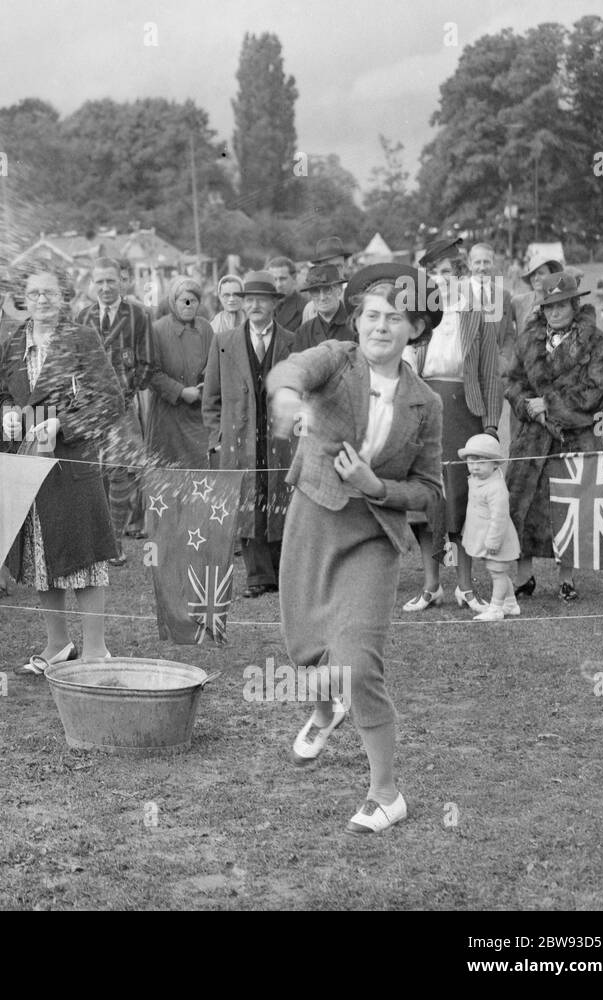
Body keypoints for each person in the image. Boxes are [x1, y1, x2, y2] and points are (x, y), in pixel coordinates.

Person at [267, 263, 444, 834]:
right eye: (372, 315)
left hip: (373, 535)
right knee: (306, 650)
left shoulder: (426, 403)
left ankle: (386, 793)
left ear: (414, 328)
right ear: (358, 320)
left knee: (358, 664)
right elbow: (291, 369)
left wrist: (377, 487)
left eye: (395, 318)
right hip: (313, 521)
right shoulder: (336, 360)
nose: (381, 326)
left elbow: (430, 492)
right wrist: (290, 399)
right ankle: (324, 707)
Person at [0, 268, 123, 674]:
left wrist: (63, 425)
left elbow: (110, 400)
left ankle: (95, 649)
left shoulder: (81, 339)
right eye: (34, 294)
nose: (42, 300)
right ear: (24, 299)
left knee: (84, 555)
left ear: (63, 298)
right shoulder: (14, 342)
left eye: (49, 293)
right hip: (30, 465)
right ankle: (57, 645)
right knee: (41, 556)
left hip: (72, 463)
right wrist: (9, 415)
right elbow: (2, 395)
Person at [399, 236, 507, 612]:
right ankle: (431, 586)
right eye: (435, 273)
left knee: (464, 499)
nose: (443, 279)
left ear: (461, 275)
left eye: (450, 272)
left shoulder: (475, 313)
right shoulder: (418, 316)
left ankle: (464, 585)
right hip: (424, 413)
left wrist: (491, 425)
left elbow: (491, 373)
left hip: (465, 412)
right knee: (426, 498)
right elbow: (403, 364)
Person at [504, 271, 603, 602]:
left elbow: (595, 390)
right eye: (549, 306)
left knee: (567, 508)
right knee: (523, 506)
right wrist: (528, 406)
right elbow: (512, 381)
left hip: (572, 438)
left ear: (574, 303)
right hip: (531, 439)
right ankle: (524, 578)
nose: (554, 312)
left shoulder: (594, 341)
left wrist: (549, 404)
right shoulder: (528, 339)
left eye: (561, 305)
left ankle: (566, 579)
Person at [202, 270, 295, 597]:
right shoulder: (224, 342)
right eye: (249, 299)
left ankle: (282, 572)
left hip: (280, 438)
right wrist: (217, 438)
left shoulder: (291, 341)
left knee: (279, 497)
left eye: (262, 299)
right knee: (247, 502)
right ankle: (257, 577)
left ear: (274, 304)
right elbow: (210, 398)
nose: (255, 305)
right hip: (239, 438)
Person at [75, 257, 159, 553]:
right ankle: (98, 538)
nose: (106, 287)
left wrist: (125, 393)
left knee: (120, 471)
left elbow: (148, 363)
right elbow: (76, 364)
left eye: (111, 280)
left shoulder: (137, 315)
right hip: (90, 409)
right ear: (92, 284)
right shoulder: (83, 318)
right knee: (94, 471)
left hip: (123, 408)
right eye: (100, 282)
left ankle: (115, 540)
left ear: (121, 281)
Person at [147, 275, 212, 468]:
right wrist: (181, 392)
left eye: (193, 301)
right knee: (169, 472)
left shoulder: (206, 328)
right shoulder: (157, 330)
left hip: (197, 414)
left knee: (199, 472)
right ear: (173, 302)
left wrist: (206, 383)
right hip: (167, 416)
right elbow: (150, 372)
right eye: (183, 300)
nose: (188, 305)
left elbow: (215, 363)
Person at [457, 433, 521, 622]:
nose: (475, 467)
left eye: (481, 462)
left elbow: (499, 518)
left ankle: (495, 609)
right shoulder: (477, 480)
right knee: (498, 571)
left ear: (495, 464)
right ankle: (511, 604)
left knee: (498, 573)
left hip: (498, 539)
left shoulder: (496, 488)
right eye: (471, 462)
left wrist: (493, 541)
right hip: (485, 537)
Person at [290, 262, 352, 353]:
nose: (322, 297)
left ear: (339, 290)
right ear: (310, 295)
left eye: (328, 290)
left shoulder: (355, 326)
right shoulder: (303, 332)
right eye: (315, 291)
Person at [267, 256, 306, 331]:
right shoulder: (266, 306)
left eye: (283, 279)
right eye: (274, 279)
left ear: (294, 278)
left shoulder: (304, 308)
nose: (278, 285)